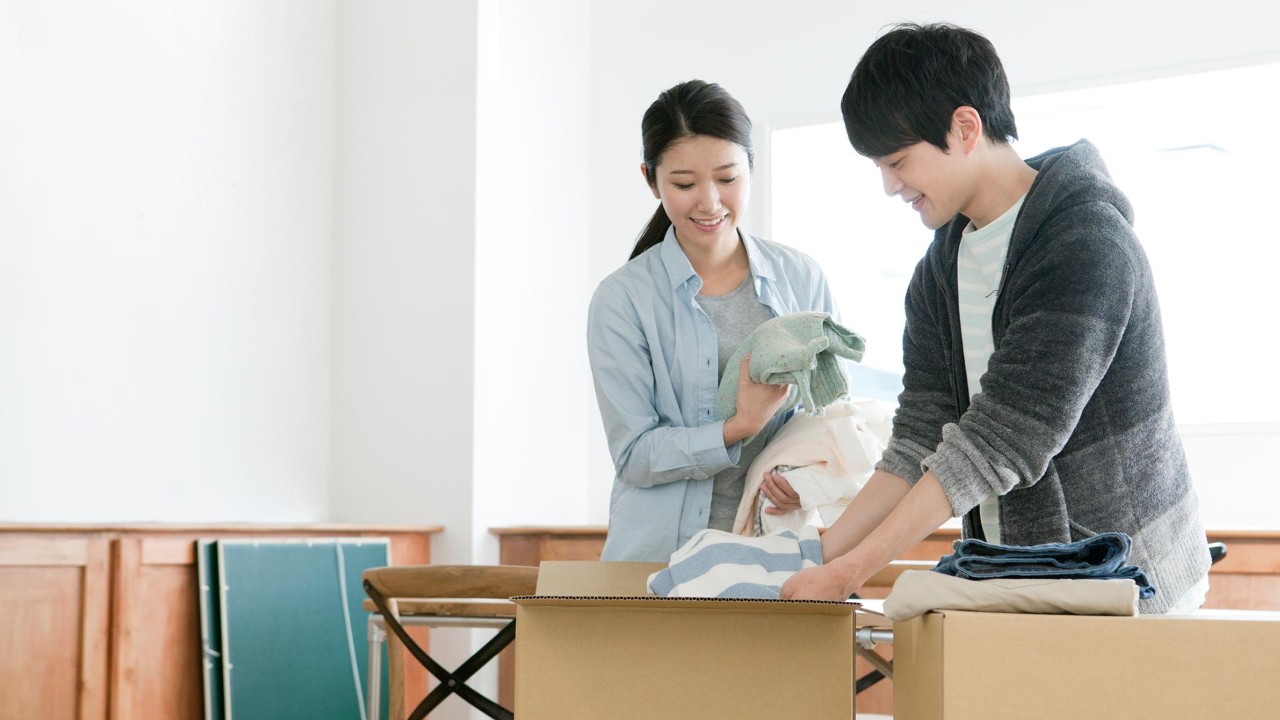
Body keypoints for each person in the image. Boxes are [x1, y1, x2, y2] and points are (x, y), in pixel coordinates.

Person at [780, 23, 1210, 613]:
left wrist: (852, 569)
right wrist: (821, 555)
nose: (888, 185)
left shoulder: (1085, 243)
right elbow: (918, 438)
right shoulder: (938, 272)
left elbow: (1002, 438)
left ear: (964, 127)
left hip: (1130, 578)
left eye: (898, 160)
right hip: (1018, 572)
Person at [588, 80, 842, 562]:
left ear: (751, 168)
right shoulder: (623, 299)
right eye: (684, 184)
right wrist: (739, 425)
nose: (709, 202)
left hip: (774, 558)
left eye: (727, 178)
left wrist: (807, 479)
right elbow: (634, 457)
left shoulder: (801, 278)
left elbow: (828, 414)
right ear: (650, 179)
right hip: (657, 563)